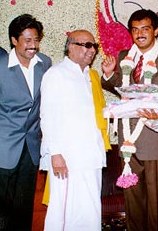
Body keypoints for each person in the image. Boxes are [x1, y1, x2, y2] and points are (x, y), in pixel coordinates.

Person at [101, 9, 158, 231]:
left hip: (157, 142)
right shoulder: (125, 57)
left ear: (156, 30)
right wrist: (108, 75)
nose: (140, 34)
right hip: (128, 144)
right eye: (135, 30)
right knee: (134, 206)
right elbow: (125, 91)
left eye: (145, 29)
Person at [0, 14, 51, 231]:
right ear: (14, 40)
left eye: (36, 40)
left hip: (30, 149)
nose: (33, 45)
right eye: (28, 40)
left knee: (23, 207)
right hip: (1, 148)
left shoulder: (45, 63)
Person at [40, 29, 110, 230]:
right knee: (64, 213)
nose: (92, 50)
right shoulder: (56, 74)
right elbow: (47, 117)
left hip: (92, 157)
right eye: (86, 45)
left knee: (90, 211)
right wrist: (56, 154)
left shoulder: (91, 75)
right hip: (67, 159)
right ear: (71, 47)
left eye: (93, 46)